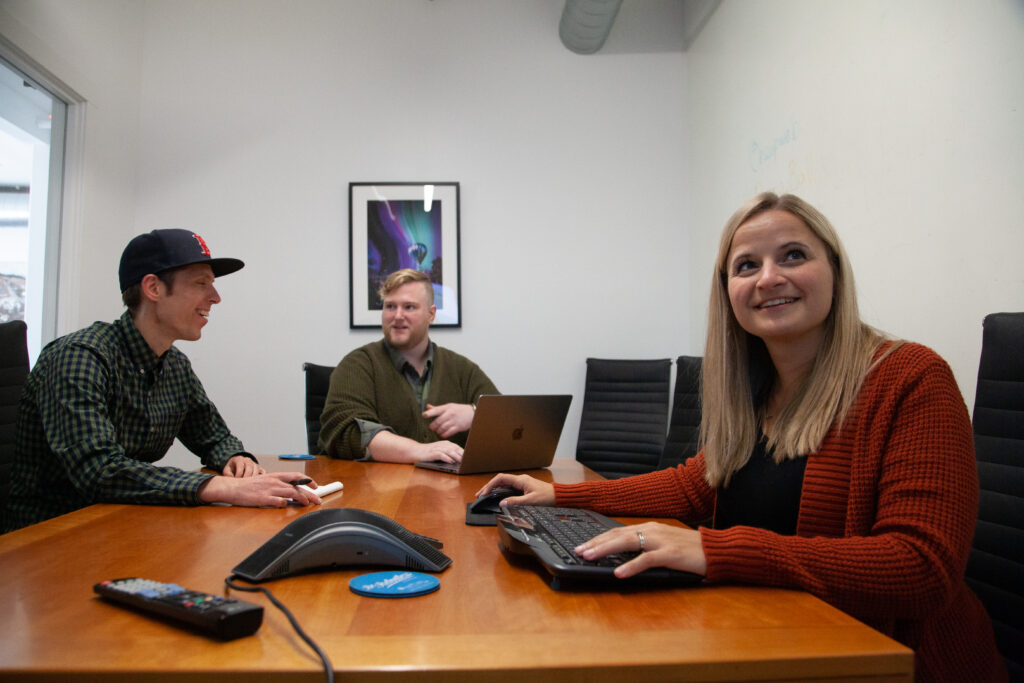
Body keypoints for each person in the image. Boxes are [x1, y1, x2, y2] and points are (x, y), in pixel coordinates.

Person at [478, 193, 1006, 681]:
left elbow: (922, 567)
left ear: (836, 273)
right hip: (775, 638)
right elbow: (695, 488)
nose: (768, 278)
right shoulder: (755, 389)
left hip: (890, 662)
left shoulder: (909, 376)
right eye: (746, 265)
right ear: (728, 291)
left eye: (794, 255)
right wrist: (563, 496)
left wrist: (715, 550)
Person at [3, 229, 320, 532]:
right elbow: (100, 471)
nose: (215, 297)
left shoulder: (174, 365)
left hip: (120, 522)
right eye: (201, 283)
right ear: (153, 288)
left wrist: (236, 460)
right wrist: (220, 487)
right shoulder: (79, 358)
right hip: (49, 538)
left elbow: (213, 437)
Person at [319, 268, 498, 464]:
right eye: (390, 306)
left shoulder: (462, 369)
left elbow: (511, 424)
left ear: (430, 315)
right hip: (380, 491)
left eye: (409, 307)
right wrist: (419, 451)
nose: (397, 315)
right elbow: (346, 431)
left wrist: (475, 414)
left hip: (451, 491)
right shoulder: (357, 365)